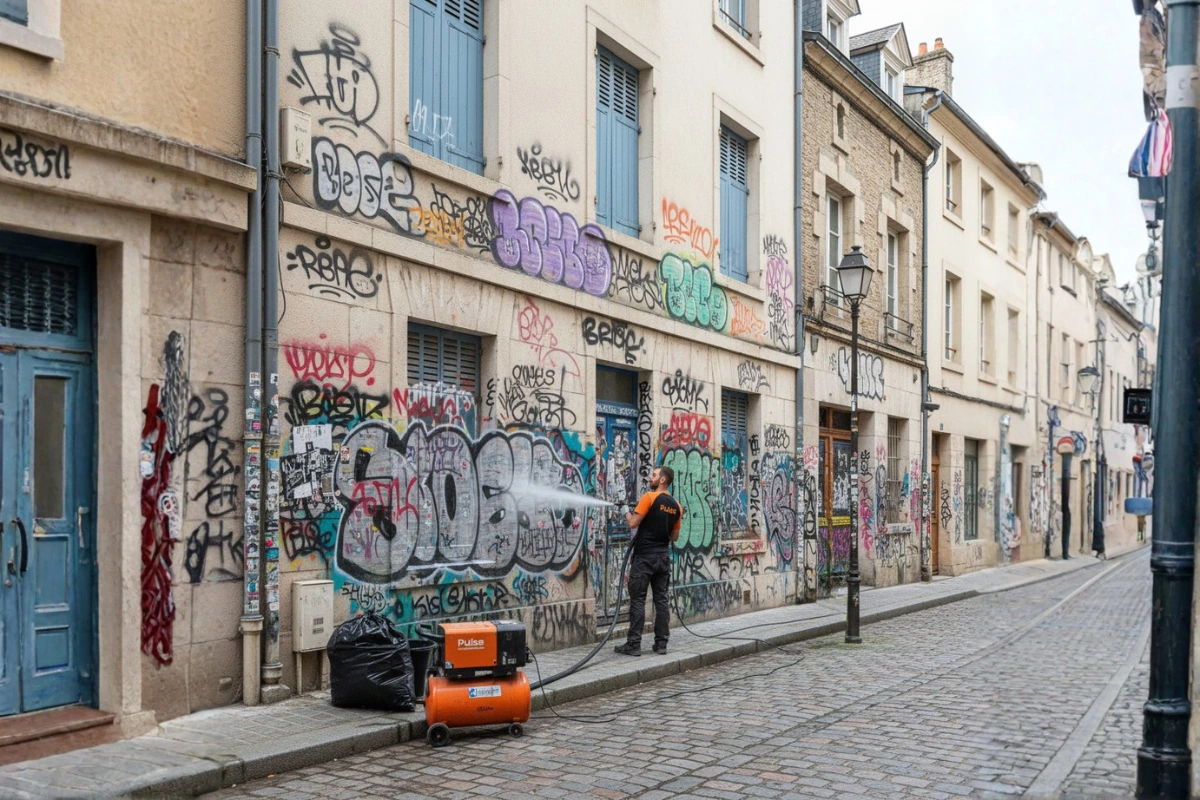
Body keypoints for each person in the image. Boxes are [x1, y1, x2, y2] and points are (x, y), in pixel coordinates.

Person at [614, 466, 682, 656]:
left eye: (654, 475)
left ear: (662, 480)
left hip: (644, 557)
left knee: (638, 599)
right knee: (661, 599)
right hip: (662, 558)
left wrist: (626, 512)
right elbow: (675, 536)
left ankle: (634, 644)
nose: (650, 478)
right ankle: (661, 644)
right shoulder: (677, 506)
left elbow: (632, 523)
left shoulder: (649, 498)